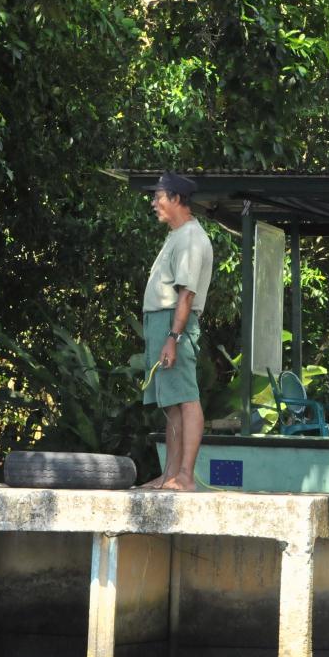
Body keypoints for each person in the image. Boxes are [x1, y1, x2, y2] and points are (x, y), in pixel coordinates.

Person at [139, 172, 214, 491]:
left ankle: (186, 476)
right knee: (171, 401)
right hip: (163, 323)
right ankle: (170, 475)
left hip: (175, 325)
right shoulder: (176, 235)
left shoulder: (191, 238)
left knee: (186, 397)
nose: (154, 202)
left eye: (159, 196)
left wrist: (173, 337)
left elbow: (187, 294)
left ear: (177, 199)